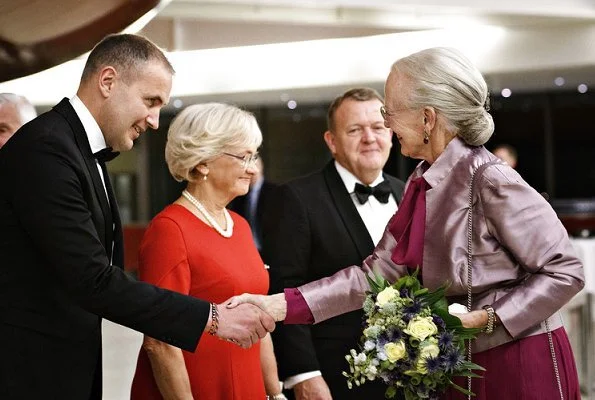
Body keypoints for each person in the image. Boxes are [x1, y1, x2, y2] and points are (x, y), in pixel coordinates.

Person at [230, 47, 584, 400]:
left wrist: (487, 318)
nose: (386, 124)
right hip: (460, 366)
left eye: (390, 111)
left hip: (517, 364)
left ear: (427, 118)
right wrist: (279, 305)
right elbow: (374, 275)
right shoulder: (422, 181)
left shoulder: (491, 179)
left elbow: (565, 270)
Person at [0, 33, 274, 400]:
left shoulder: (77, 150)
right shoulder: (47, 149)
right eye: (150, 101)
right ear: (108, 81)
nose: (156, 120)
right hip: (30, 373)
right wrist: (212, 318)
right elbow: (94, 280)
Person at [131, 103, 286, 400]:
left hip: (247, 385)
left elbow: (259, 318)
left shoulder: (239, 225)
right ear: (202, 161)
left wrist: (274, 391)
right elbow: (159, 342)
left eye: (254, 156)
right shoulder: (169, 230)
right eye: (244, 157)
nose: (253, 168)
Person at [262, 87, 405, 399]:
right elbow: (286, 289)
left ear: (391, 134)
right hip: (334, 375)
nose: (370, 138)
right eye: (355, 130)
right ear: (332, 141)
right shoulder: (297, 198)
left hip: (409, 374)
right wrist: (304, 374)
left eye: (378, 128)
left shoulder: (407, 193)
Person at [228, 157, 276, 252]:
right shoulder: (239, 195)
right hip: (247, 248)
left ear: (261, 167)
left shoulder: (274, 191)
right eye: (247, 167)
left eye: (255, 165)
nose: (251, 171)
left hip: (269, 248)